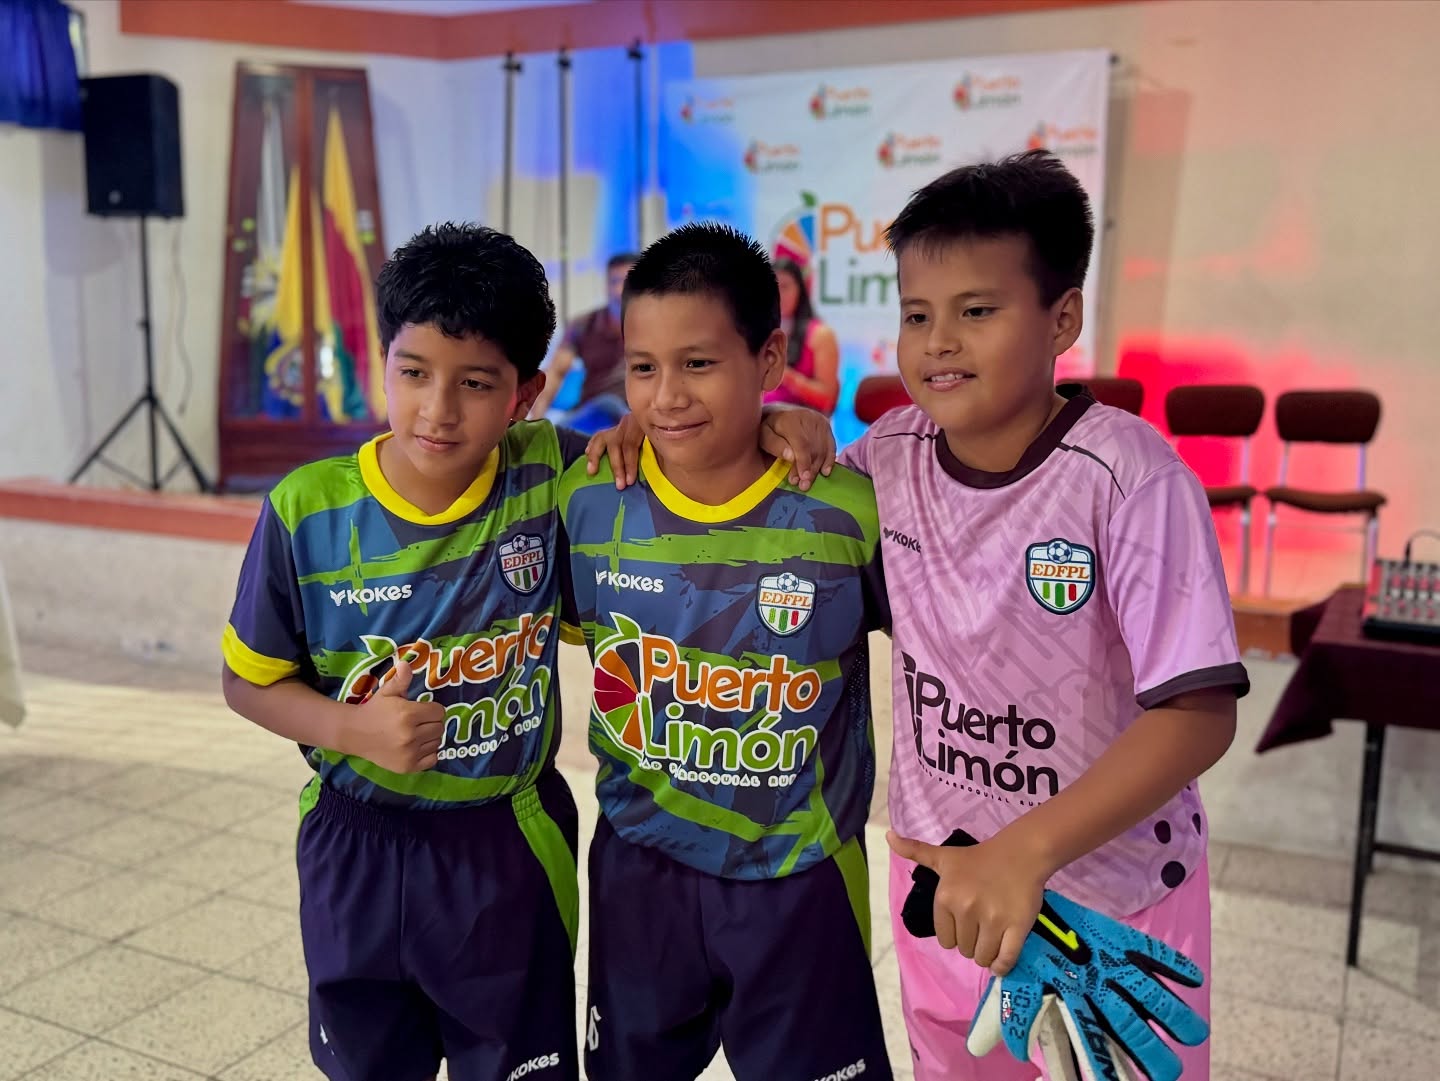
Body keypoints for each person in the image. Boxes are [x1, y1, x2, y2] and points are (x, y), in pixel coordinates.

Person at [219, 221, 836, 1081]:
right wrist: (351, 730)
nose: (438, 410)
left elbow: (686, 442)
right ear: (380, 364)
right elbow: (247, 682)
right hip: (353, 845)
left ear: (525, 393)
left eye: (475, 383)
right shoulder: (305, 509)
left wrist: (773, 418)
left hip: (508, 842)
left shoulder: (554, 474)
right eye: (414, 373)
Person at [838, 151, 1248, 1080]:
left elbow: (1198, 713)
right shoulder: (888, 456)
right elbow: (782, 517)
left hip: (1110, 904)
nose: (938, 342)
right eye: (916, 314)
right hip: (948, 893)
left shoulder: (1129, 478)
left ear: (1062, 318)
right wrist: (779, 431)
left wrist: (1027, 850)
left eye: (977, 311)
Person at [559, 223, 893, 1081]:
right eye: (644, 366)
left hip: (799, 877)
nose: (667, 395)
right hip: (640, 868)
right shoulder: (588, 501)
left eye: (699, 363)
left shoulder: (846, 512)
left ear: (769, 357)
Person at [530, 251, 637, 431]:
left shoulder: (656, 325)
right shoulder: (583, 325)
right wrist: (535, 420)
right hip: (594, 411)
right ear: (606, 286)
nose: (619, 291)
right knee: (604, 406)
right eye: (614, 282)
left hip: (637, 414)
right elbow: (556, 372)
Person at [765, 257, 841, 414]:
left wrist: (787, 376)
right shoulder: (760, 330)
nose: (778, 294)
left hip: (800, 422)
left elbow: (827, 399)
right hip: (757, 418)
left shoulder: (821, 334)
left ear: (800, 289)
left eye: (785, 287)